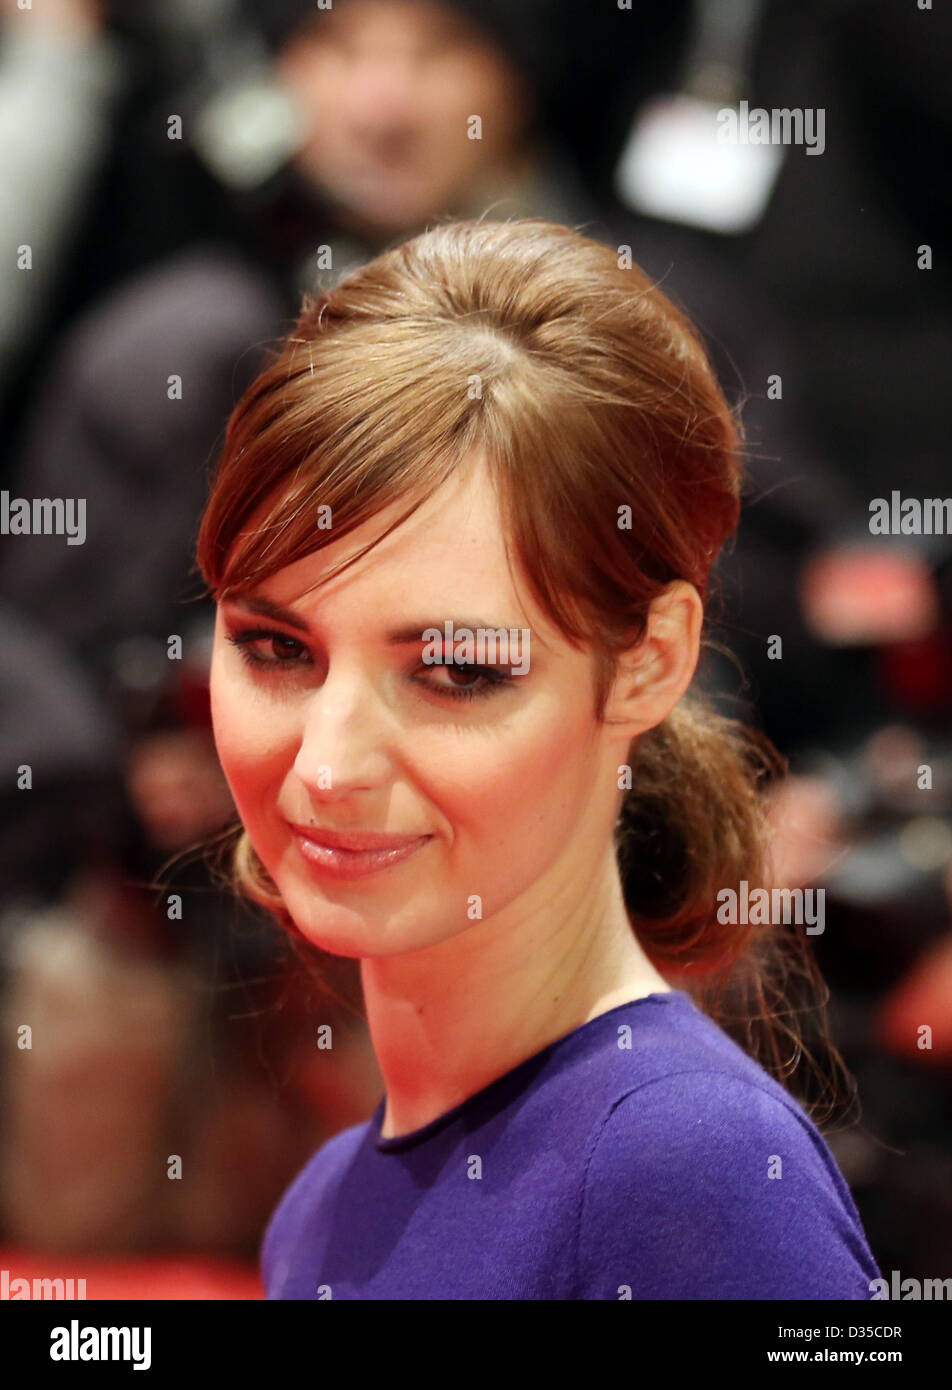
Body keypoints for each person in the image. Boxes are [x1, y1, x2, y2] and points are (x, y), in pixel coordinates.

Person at [195, 218, 883, 1300]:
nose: (327, 766)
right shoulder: (322, 1201)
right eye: (277, 649)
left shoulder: (687, 1173)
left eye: (456, 672)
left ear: (650, 663)